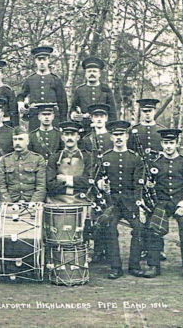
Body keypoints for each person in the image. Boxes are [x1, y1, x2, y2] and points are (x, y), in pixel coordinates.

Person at [143, 129, 183, 279]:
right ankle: (154, 265)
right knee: (153, 227)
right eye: (166, 143)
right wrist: (149, 185)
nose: (168, 146)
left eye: (171, 143)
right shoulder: (155, 164)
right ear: (161, 144)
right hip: (162, 203)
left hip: (182, 202)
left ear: (177, 143)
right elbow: (150, 186)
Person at [99, 120, 145, 279]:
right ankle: (115, 267)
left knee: (139, 228)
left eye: (121, 135)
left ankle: (134, 265)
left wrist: (139, 203)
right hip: (112, 202)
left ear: (126, 136)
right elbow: (98, 179)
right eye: (115, 135)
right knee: (110, 228)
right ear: (111, 137)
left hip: (130, 201)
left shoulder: (135, 158)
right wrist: (100, 185)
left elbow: (138, 184)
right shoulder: (105, 157)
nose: (118, 138)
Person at [128, 98, 167, 261]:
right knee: (142, 210)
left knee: (157, 210)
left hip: (158, 175)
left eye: (150, 111)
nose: (147, 114)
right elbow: (130, 153)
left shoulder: (161, 130)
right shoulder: (134, 131)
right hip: (139, 176)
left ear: (154, 111)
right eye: (144, 111)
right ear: (141, 112)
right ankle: (144, 247)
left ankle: (158, 249)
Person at [79, 103, 113, 263]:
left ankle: (109, 250)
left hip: (109, 183)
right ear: (91, 119)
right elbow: (85, 162)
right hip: (92, 184)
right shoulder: (86, 140)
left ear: (106, 118)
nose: (99, 119)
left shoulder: (111, 138)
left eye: (102, 116)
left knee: (109, 216)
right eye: (96, 116)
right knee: (94, 217)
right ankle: (96, 250)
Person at [18, 46, 68, 131]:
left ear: (48, 60)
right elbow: (21, 95)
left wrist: (63, 123)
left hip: (52, 117)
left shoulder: (56, 79)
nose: (41, 62)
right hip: (35, 117)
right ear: (35, 61)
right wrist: (21, 103)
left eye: (44, 59)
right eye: (39, 59)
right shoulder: (30, 79)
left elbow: (63, 102)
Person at [0, 126, 46, 203]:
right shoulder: (5, 160)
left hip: (32, 202)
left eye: (20, 139)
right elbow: (2, 187)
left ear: (27, 142)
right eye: (15, 139)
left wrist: (33, 203)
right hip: (11, 202)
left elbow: (41, 186)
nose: (17, 143)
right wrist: (8, 203)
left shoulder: (38, 159)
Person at [46, 121, 92, 203]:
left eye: (72, 134)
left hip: (81, 200)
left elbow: (88, 182)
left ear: (78, 137)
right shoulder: (54, 157)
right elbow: (50, 184)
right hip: (57, 200)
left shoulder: (87, 157)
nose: (69, 138)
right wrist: (77, 183)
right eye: (66, 134)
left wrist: (66, 179)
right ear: (62, 137)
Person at [70, 56, 117, 132]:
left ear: (99, 74)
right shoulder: (79, 90)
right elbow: (73, 108)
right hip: (84, 129)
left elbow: (112, 113)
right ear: (85, 74)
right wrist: (74, 114)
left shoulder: (106, 89)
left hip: (102, 129)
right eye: (89, 71)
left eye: (94, 71)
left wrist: (110, 129)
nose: (92, 74)